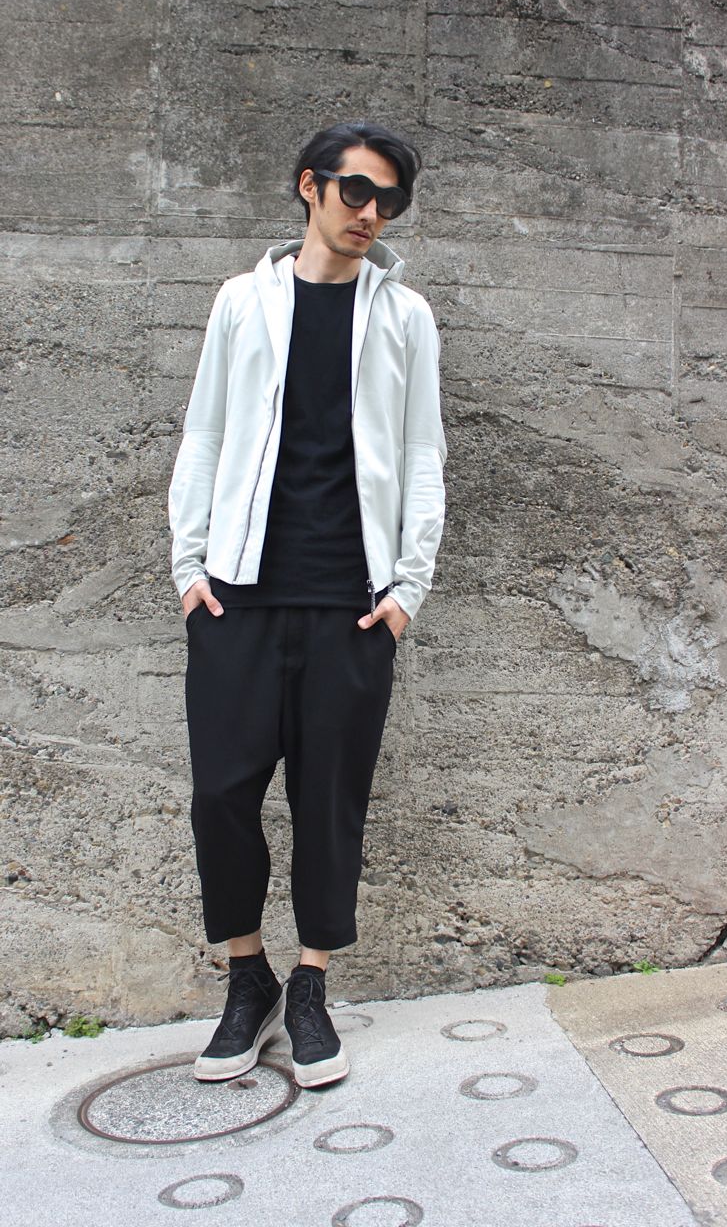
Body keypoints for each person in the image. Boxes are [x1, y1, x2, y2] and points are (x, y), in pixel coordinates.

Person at [167, 122, 446, 1089]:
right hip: (236, 599)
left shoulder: (405, 317)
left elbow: (422, 453)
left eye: (389, 201)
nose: (370, 213)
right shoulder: (241, 302)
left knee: (330, 803)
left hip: (351, 606)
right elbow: (205, 434)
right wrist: (189, 568)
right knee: (221, 796)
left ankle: (313, 984)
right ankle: (247, 979)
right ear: (309, 187)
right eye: (355, 191)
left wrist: (407, 592)